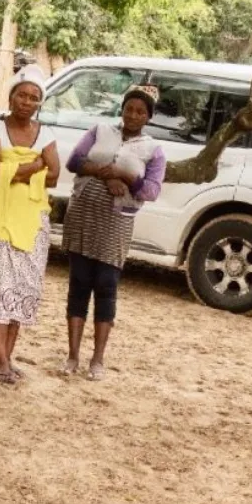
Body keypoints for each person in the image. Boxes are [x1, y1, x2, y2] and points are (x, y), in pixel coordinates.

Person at [60, 84, 165, 380]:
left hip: (115, 222)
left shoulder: (153, 150)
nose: (133, 115)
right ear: (121, 109)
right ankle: (72, 356)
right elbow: (74, 162)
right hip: (83, 214)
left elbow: (151, 190)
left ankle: (98, 359)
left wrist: (126, 175)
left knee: (106, 285)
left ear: (148, 117)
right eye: (129, 108)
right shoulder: (99, 131)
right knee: (79, 283)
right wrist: (107, 176)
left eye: (140, 111)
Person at [0, 65, 60, 384]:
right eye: (22, 95)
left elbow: (54, 174)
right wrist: (33, 166)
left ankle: (8, 357)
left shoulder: (46, 132)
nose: (27, 101)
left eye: (34, 98)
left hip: (32, 221)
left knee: (24, 285)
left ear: (40, 103)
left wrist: (18, 168)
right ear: (11, 97)